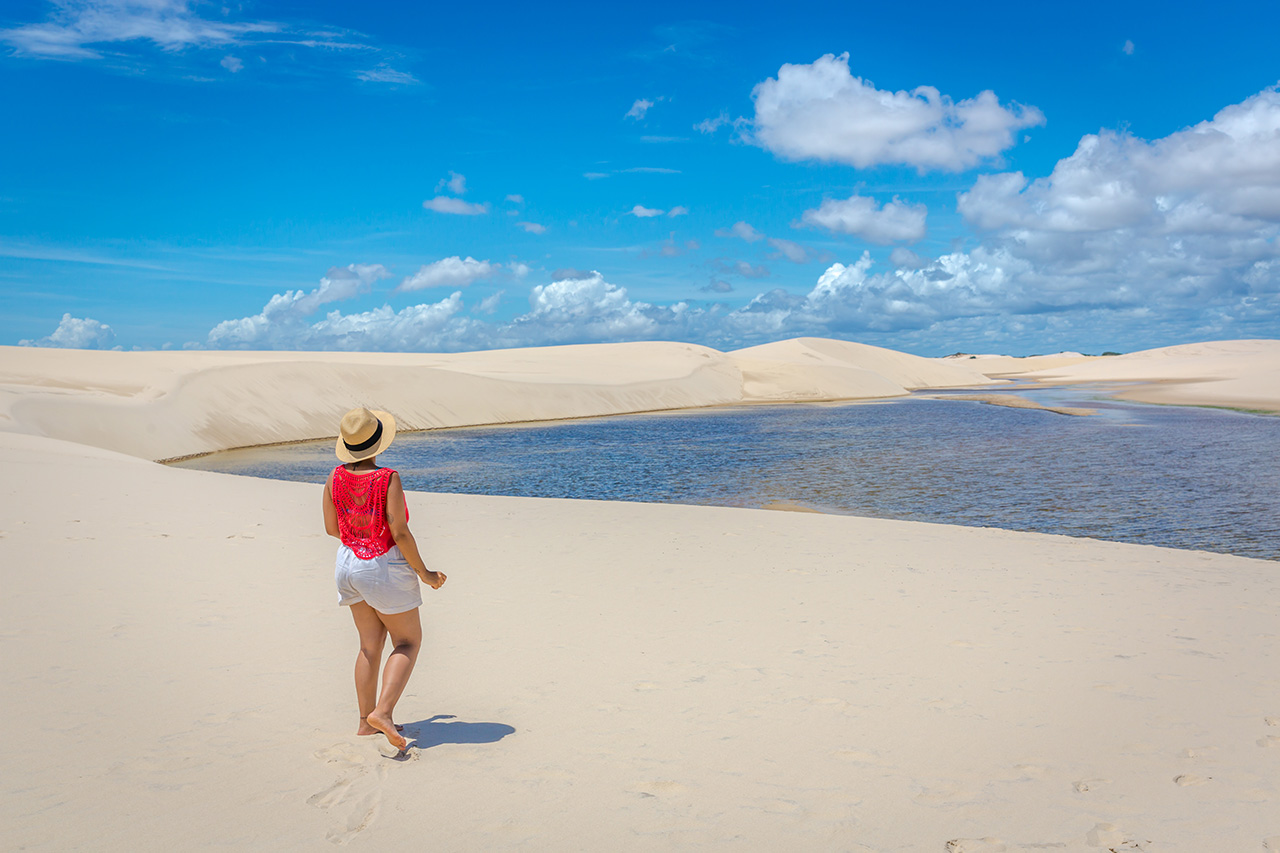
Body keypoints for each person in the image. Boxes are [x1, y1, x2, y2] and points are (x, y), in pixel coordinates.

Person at [322, 407, 446, 753]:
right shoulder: (386, 477)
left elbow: (332, 528)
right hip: (381, 564)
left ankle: (365, 723)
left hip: (347, 563)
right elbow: (399, 530)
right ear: (377, 444)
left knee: (368, 645)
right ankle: (384, 713)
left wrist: (358, 536)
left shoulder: (335, 477)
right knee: (408, 641)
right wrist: (426, 574)